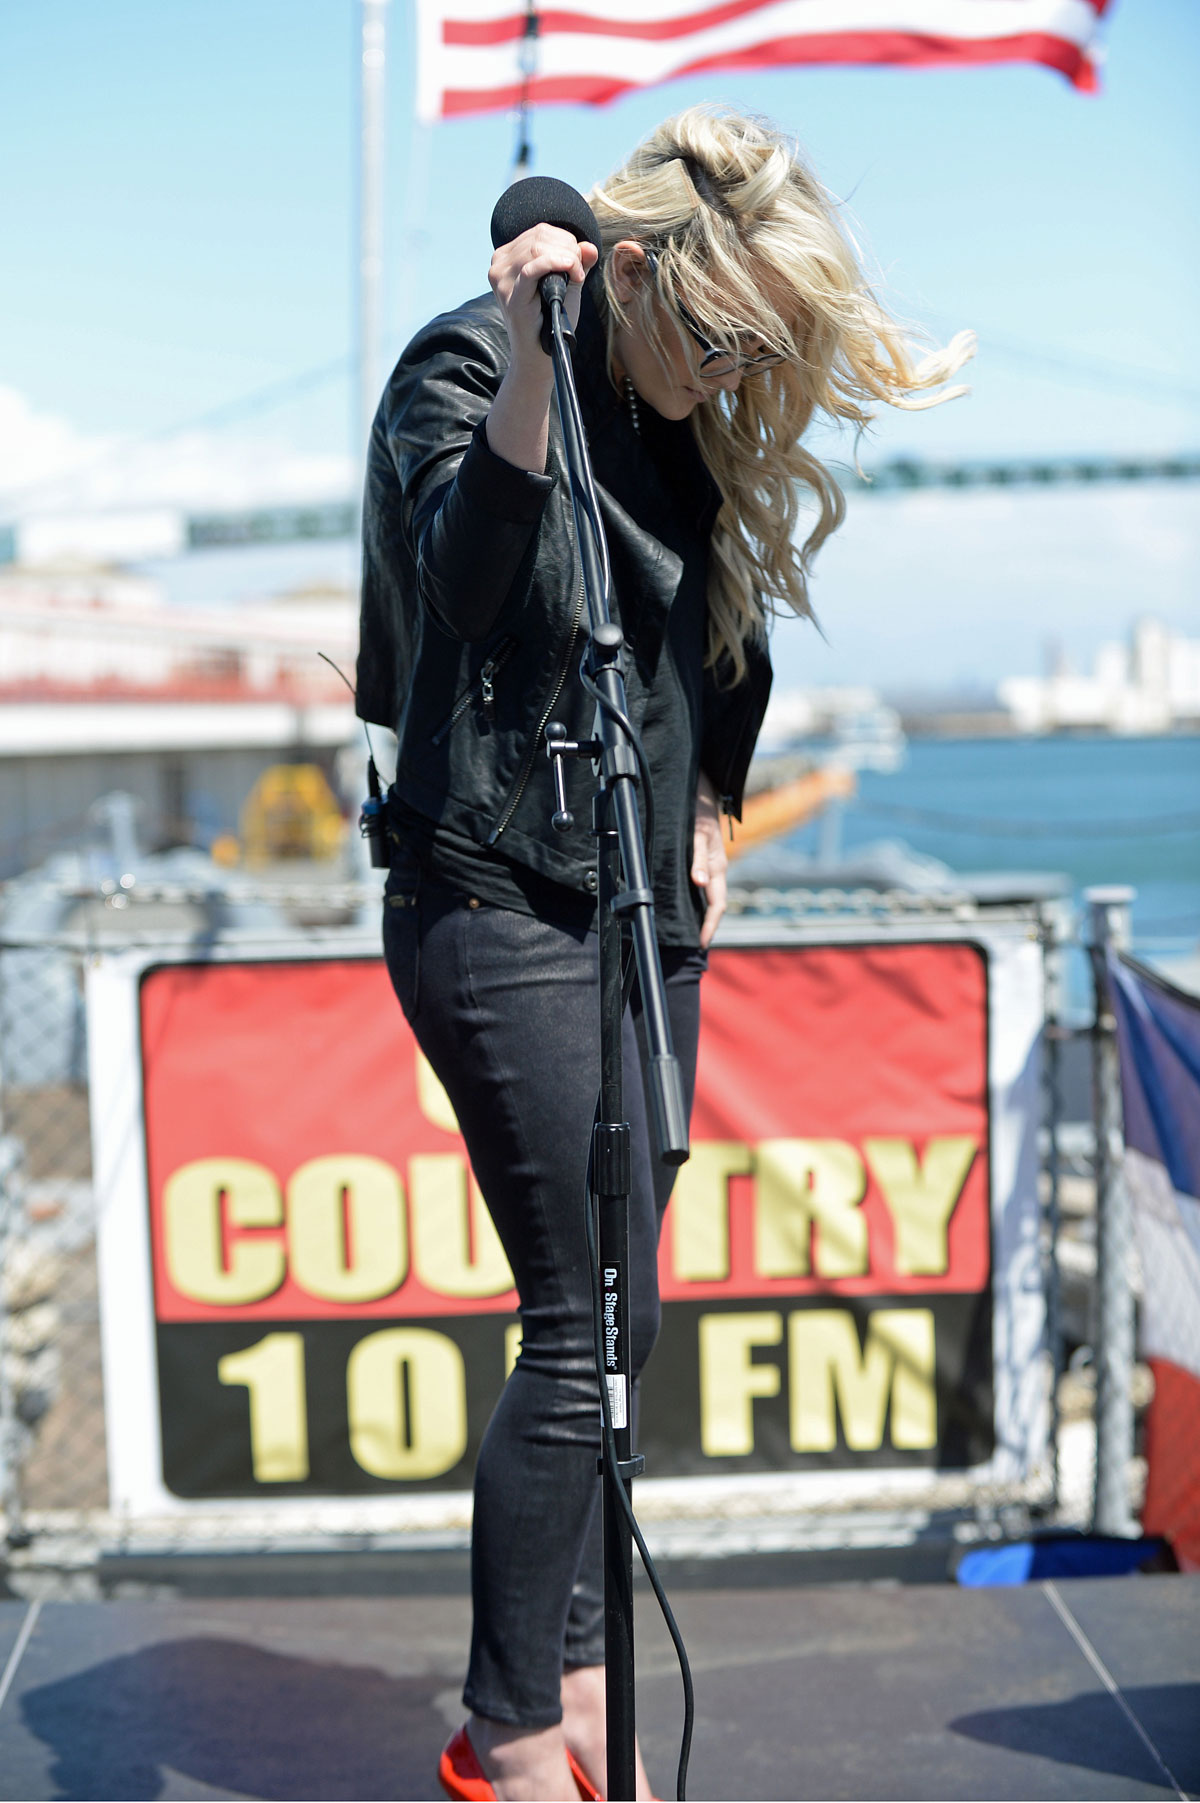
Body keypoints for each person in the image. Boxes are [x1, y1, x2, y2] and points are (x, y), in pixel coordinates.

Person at [356, 106, 972, 1802]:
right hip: (488, 893)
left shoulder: (669, 423)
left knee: (623, 1331)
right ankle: (510, 1736)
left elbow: (727, 648)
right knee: (580, 1322)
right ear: (625, 274)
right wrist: (543, 368)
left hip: (638, 904)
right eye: (717, 331)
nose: (736, 365)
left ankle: (568, 1675)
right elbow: (475, 583)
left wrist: (713, 808)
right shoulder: (468, 370)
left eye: (759, 344)